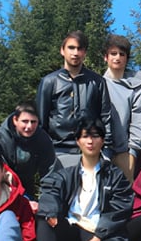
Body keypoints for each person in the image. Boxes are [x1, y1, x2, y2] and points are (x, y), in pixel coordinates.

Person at [36, 123, 133, 241]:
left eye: (95, 136)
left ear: (102, 141)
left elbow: (120, 208)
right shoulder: (67, 173)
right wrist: (52, 211)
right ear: (78, 141)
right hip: (73, 224)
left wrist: (98, 237)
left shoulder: (115, 175)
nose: (90, 141)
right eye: (85, 136)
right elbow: (50, 191)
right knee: (44, 218)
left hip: (99, 230)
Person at [36, 30, 113, 167]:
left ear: (85, 53)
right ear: (62, 50)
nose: (75, 53)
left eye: (80, 48)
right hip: (57, 150)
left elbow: (105, 117)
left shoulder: (97, 82)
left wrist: (106, 149)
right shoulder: (49, 81)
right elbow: (41, 121)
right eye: (71, 48)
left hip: (89, 150)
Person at [0, 102, 58, 213]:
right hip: (1, 187)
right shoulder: (0, 138)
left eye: (33, 122)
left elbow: (49, 172)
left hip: (27, 185)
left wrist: (46, 201)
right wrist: (23, 199)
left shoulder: (42, 139)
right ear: (15, 120)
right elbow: (1, 174)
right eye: (25, 121)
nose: (29, 126)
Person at [101, 34, 141, 181]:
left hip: (124, 153)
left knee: (124, 198)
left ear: (127, 59)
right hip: (98, 151)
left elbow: (139, 122)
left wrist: (133, 152)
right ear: (106, 57)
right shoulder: (97, 84)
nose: (117, 58)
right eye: (113, 53)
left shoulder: (135, 89)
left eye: (122, 54)